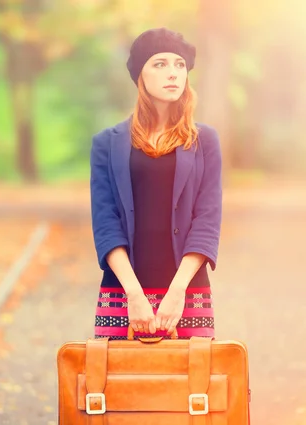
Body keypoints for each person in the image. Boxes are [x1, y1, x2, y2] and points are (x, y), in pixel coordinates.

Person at [89, 27, 222, 340]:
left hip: (188, 292)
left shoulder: (205, 141)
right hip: (122, 293)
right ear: (140, 76)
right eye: (160, 64)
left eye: (179, 65)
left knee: (193, 385)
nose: (172, 73)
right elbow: (106, 224)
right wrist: (133, 295)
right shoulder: (106, 144)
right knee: (118, 385)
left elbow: (207, 220)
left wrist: (177, 293)